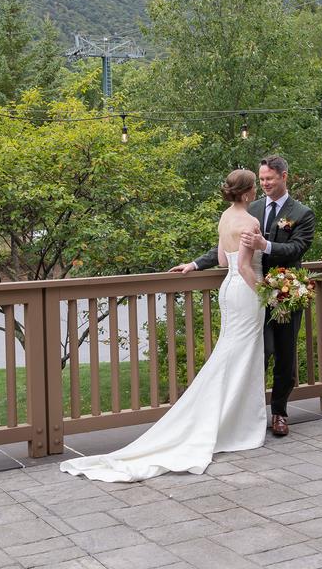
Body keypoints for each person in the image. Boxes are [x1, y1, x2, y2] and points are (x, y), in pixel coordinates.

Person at [60, 169, 267, 482]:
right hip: (247, 291)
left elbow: (224, 263)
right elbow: (242, 265)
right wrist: (266, 294)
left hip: (228, 290)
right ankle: (236, 423)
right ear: (249, 191)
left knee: (229, 354)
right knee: (241, 356)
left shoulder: (225, 218)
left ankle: (223, 417)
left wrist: (197, 265)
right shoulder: (250, 222)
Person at [170, 155, 315, 437]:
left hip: (285, 292)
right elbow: (227, 246)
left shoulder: (302, 213)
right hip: (254, 291)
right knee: (260, 351)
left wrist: (266, 244)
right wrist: (196, 263)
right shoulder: (252, 208)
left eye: (269, 179)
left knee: (285, 354)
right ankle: (249, 412)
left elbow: (298, 249)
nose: (264, 184)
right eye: (261, 180)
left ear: (284, 176)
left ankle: (280, 413)